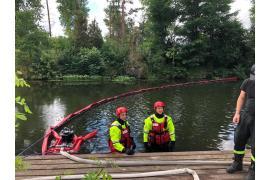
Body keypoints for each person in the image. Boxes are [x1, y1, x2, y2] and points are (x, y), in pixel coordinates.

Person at [226, 65, 255, 180]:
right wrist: (237, 113)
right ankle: (237, 163)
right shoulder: (248, 82)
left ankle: (254, 170)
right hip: (246, 115)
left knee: (256, 146)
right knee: (238, 139)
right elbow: (241, 97)